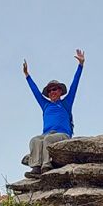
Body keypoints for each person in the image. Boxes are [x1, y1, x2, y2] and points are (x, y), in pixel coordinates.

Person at [23, 49, 85, 177]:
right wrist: (27, 76)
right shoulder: (45, 105)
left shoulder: (66, 103)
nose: (52, 92)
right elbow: (35, 92)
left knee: (48, 139)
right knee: (35, 140)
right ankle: (36, 167)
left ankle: (46, 166)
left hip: (62, 135)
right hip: (46, 134)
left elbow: (75, 84)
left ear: (60, 91)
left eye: (55, 89)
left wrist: (80, 65)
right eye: (50, 90)